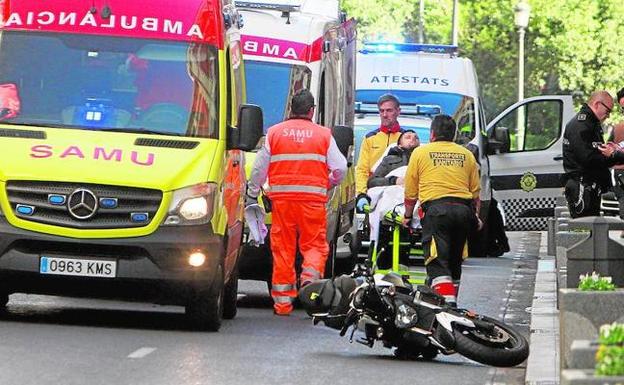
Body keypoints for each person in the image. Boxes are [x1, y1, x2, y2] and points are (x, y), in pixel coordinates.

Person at [246, 89, 347, 316]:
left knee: (282, 249)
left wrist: (252, 193)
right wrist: (327, 183)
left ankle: (282, 304)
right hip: (312, 202)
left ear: (291, 108)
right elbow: (340, 168)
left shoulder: (275, 133)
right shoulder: (323, 134)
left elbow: (259, 168)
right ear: (312, 111)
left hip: (282, 202)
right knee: (314, 246)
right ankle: (309, 287)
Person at [402, 115, 481, 307]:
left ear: (432, 134)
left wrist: (407, 216)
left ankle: (447, 307)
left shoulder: (420, 153)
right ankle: (444, 301)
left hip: (437, 212)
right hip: (464, 212)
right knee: (454, 262)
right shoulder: (467, 155)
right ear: (454, 135)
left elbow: (411, 190)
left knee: (437, 262)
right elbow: (475, 192)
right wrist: (476, 217)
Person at [562, 91, 619, 218]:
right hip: (582, 187)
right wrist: (612, 156)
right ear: (598, 104)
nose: (608, 116)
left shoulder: (591, 123)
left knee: (592, 232)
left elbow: (595, 152)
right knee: (585, 231)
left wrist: (610, 153)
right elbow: (588, 158)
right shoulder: (581, 124)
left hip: (590, 186)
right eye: (608, 111)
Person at [355, 93, 404, 211]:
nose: (384, 115)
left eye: (389, 110)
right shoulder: (370, 138)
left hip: (398, 194)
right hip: (374, 191)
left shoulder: (406, 137)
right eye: (381, 111)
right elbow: (362, 169)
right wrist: (361, 193)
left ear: (398, 111)